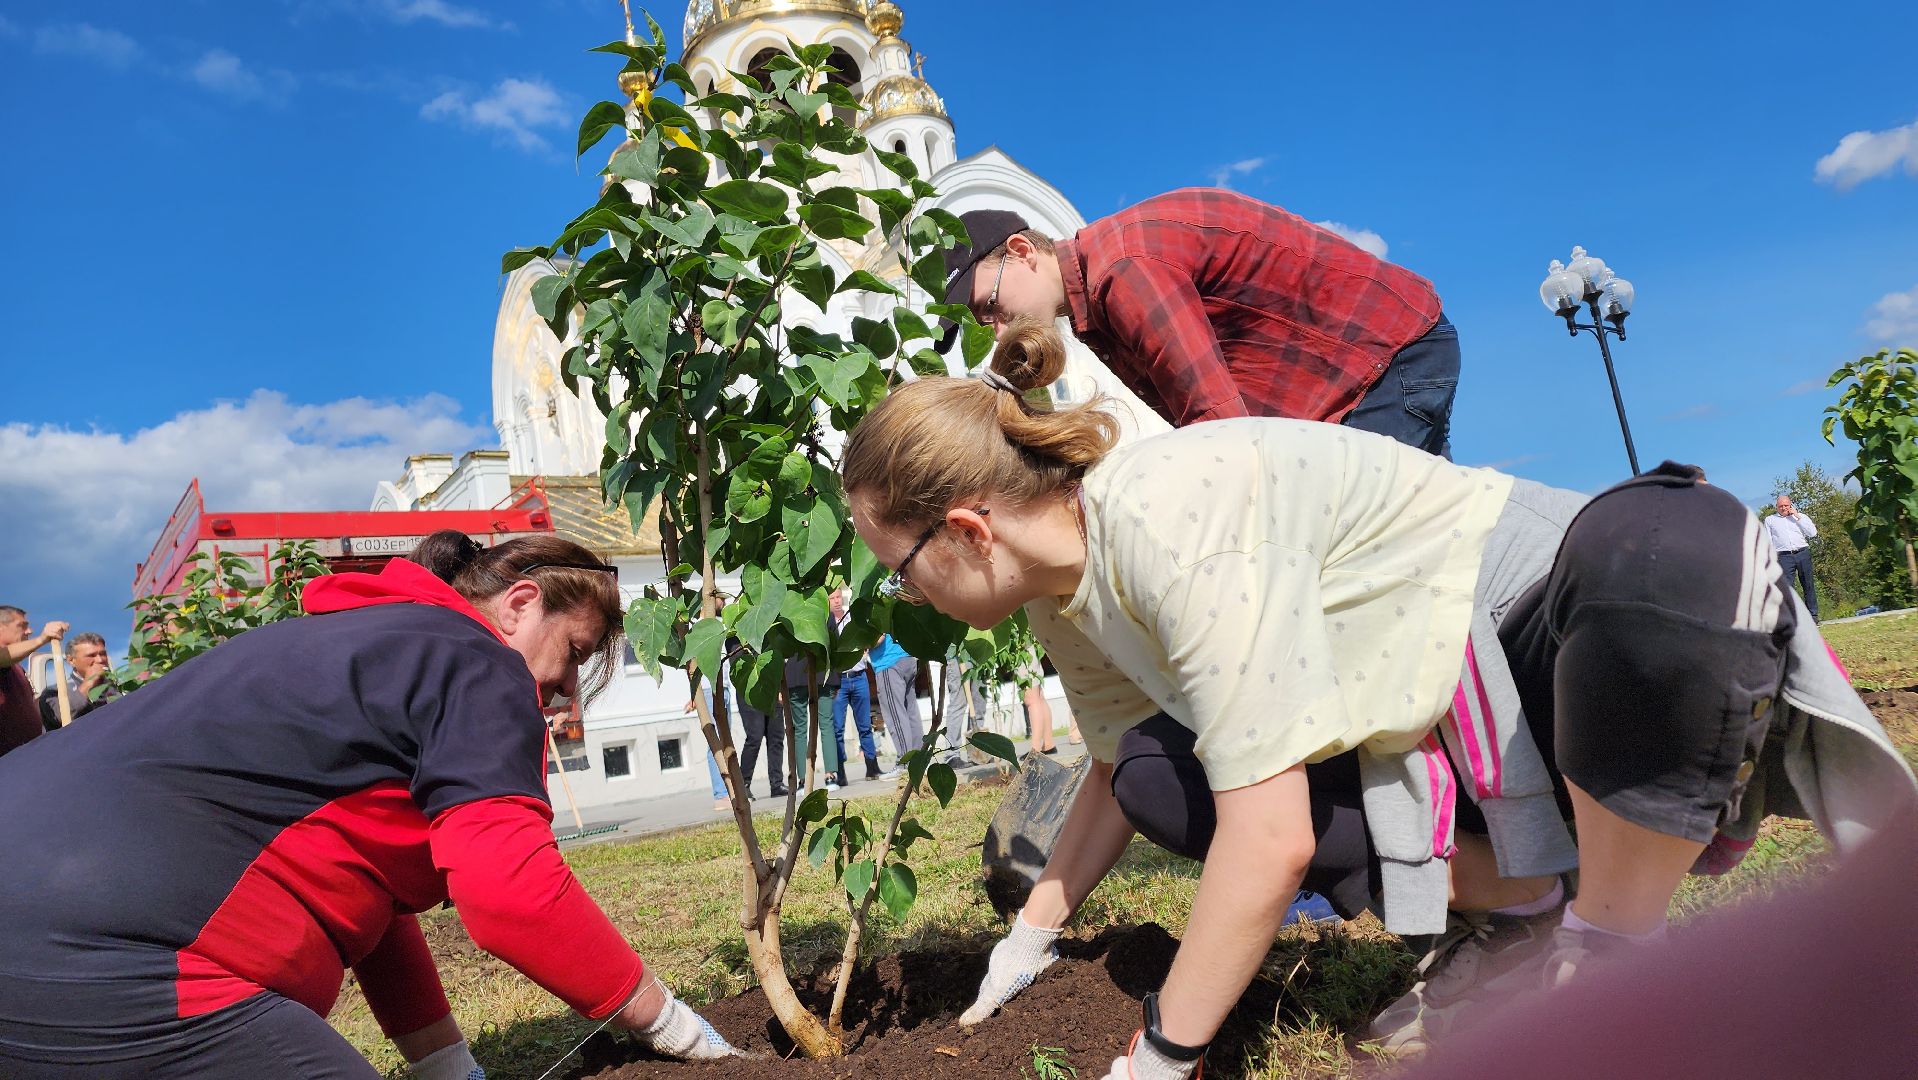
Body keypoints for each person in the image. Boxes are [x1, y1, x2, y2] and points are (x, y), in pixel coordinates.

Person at [840, 318, 1917, 1077]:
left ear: (970, 529)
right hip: (1421, 738)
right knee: (1169, 774)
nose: (902, 594)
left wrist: (1160, 1054)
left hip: (1539, 649)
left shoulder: (1164, 516)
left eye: (900, 564)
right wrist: (1026, 940)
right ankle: (1518, 917)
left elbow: (1271, 844)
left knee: (1668, 539)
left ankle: (1607, 944)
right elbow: (1123, 771)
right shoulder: (1061, 595)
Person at [0, 531, 740, 1078]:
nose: (567, 690)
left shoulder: (373, 645)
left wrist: (447, 1065)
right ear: (519, 605)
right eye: (575, 653)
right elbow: (509, 893)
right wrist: (665, 1020)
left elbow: (369, 902)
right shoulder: (476, 661)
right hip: (104, 956)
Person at [938, 191, 1460, 458]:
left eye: (990, 306)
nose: (998, 330)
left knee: (1375, 553)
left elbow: (1224, 431)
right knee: (1447, 546)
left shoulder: (1123, 271)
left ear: (1023, 251)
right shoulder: (1095, 298)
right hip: (1373, 368)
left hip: (1381, 361)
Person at [827, 587, 884, 785]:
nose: (836, 601)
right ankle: (840, 771)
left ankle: (872, 765)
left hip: (859, 676)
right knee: (837, 729)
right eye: (832, 598)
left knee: (865, 725)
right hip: (839, 681)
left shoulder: (853, 619)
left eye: (838, 597)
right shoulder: (826, 624)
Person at [0, 607, 66, 757]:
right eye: (22, 625)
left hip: (27, 758)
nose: (29, 631)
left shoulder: (18, 669)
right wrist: (42, 638)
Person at [784, 650, 842, 790]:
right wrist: (836, 681)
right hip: (822, 674)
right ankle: (830, 776)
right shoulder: (826, 625)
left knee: (799, 730)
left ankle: (803, 781)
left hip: (795, 674)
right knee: (827, 725)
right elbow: (836, 648)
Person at [38, 631, 118, 731]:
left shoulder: (116, 687)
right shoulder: (54, 693)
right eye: (91, 655)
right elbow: (61, 716)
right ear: (71, 660)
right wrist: (90, 682)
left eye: (102, 654)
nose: (100, 660)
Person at [868, 632, 920, 768]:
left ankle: (905, 762)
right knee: (911, 714)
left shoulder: (873, 610)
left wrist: (859, 644)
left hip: (888, 662)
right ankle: (918, 761)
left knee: (895, 716)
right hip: (907, 657)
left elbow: (879, 637)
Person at [1766, 494, 1819, 620]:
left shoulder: (1801, 517)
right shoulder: (1770, 520)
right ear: (1776, 507)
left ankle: (1813, 615)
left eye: (1786, 505)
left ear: (1791, 504)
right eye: (1781, 506)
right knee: (1787, 588)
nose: (1784, 508)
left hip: (1802, 553)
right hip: (1784, 556)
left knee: (1808, 584)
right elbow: (1769, 541)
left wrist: (1797, 516)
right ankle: (1794, 617)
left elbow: (1812, 533)